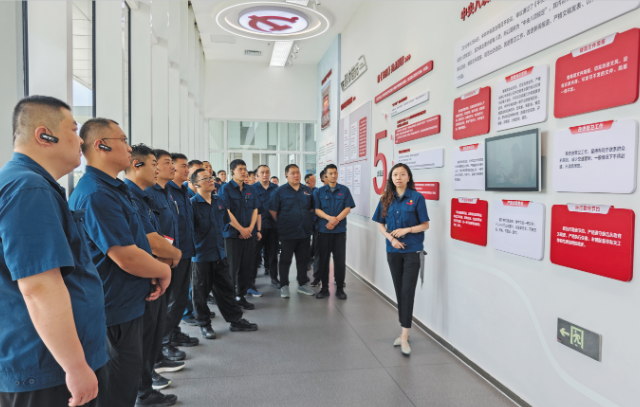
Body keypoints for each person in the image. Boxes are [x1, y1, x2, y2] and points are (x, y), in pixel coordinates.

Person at [0, 96, 107, 407]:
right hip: (46, 366)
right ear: (44, 135)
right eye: (73, 130)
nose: (81, 140)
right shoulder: (28, 189)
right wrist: (74, 366)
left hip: (45, 359)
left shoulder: (28, 183)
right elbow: (38, 287)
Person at [69, 118, 172, 406]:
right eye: (123, 141)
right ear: (101, 145)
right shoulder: (96, 194)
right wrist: (163, 270)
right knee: (116, 390)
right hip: (114, 308)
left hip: (128, 301)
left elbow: (135, 242)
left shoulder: (114, 188)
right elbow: (125, 256)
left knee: (126, 382)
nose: (129, 148)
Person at [124, 145, 182, 405]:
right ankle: (143, 392)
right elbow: (150, 241)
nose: (158, 170)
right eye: (154, 165)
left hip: (155, 273)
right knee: (142, 339)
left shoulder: (144, 196)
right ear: (137, 165)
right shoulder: (130, 196)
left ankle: (145, 386)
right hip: (143, 278)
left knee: (150, 337)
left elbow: (159, 236)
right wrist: (174, 255)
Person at [190, 169, 259, 339]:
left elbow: (225, 222)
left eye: (210, 177)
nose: (211, 180)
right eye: (205, 178)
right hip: (201, 256)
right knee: (200, 293)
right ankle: (204, 324)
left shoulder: (219, 201)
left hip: (220, 254)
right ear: (196, 184)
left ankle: (235, 320)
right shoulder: (191, 204)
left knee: (226, 290)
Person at [146, 151, 200, 359]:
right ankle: (164, 342)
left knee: (179, 300)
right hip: (167, 257)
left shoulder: (178, 192)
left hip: (184, 252)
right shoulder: (152, 192)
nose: (182, 169)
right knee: (170, 302)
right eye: (178, 165)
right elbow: (157, 230)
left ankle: (173, 332)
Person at [372, 163, 430, 357]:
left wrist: (407, 230)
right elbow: (381, 225)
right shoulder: (385, 198)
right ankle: (404, 328)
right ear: (391, 177)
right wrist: (391, 239)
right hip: (393, 250)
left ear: (408, 177)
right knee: (399, 290)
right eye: (395, 174)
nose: (398, 177)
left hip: (412, 251)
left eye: (402, 174)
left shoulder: (417, 198)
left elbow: (425, 225)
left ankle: (404, 336)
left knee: (407, 291)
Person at [269, 164, 315, 298]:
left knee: (303, 259)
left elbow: (312, 208)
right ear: (286, 175)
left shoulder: (307, 190)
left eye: (298, 172)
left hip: (304, 232)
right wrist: (284, 222)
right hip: (287, 232)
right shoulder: (279, 191)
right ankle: (284, 285)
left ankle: (302, 284)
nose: (296, 175)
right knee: (285, 260)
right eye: (293, 173)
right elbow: (273, 210)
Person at [218, 160, 259, 310]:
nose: (244, 172)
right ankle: (230, 300)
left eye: (245, 169)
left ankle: (241, 296)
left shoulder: (250, 189)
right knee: (231, 269)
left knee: (246, 267)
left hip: (248, 234)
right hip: (232, 235)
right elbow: (226, 211)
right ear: (232, 171)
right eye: (240, 169)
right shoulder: (225, 189)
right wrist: (241, 229)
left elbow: (255, 209)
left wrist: (250, 229)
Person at [313, 165, 355, 300]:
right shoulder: (319, 192)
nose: (333, 175)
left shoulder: (344, 190)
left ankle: (340, 289)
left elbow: (347, 208)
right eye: (330, 173)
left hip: (339, 231)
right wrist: (329, 218)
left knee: (339, 261)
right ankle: (324, 288)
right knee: (323, 261)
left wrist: (335, 220)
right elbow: (316, 209)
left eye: (335, 173)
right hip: (323, 231)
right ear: (325, 175)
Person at [252, 165, 280, 288]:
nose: (265, 174)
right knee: (254, 255)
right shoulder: (252, 189)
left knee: (273, 254)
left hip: (273, 226)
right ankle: (251, 281)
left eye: (267, 172)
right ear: (257, 175)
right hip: (258, 227)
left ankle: (274, 278)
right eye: (262, 172)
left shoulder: (276, 188)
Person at [310, 169, 328, 286]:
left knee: (337, 255)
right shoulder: (317, 192)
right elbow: (315, 210)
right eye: (328, 175)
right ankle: (317, 278)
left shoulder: (340, 191)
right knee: (319, 254)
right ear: (322, 179)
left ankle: (338, 279)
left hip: (335, 228)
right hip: (320, 227)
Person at [305, 173, 319, 273]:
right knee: (305, 242)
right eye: (312, 181)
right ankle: (306, 261)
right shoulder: (303, 191)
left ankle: (312, 258)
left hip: (316, 220)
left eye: (315, 180)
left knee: (316, 241)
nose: (314, 182)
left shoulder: (317, 190)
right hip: (306, 220)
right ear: (307, 181)